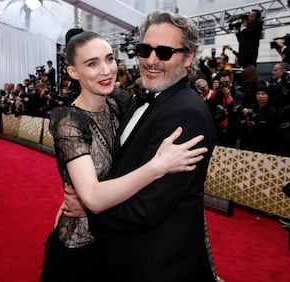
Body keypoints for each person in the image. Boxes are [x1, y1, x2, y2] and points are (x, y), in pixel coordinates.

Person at [40, 30, 209, 282]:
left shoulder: (119, 101)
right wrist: (157, 166)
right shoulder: (67, 120)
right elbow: (94, 198)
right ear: (73, 72)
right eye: (92, 64)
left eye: (109, 58)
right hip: (81, 243)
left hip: (120, 240)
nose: (106, 70)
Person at [84, 11, 218, 281]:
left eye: (164, 52)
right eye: (145, 50)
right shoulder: (145, 97)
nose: (151, 61)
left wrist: (90, 210)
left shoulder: (186, 114)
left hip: (156, 264)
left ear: (188, 57)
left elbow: (147, 208)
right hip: (127, 254)